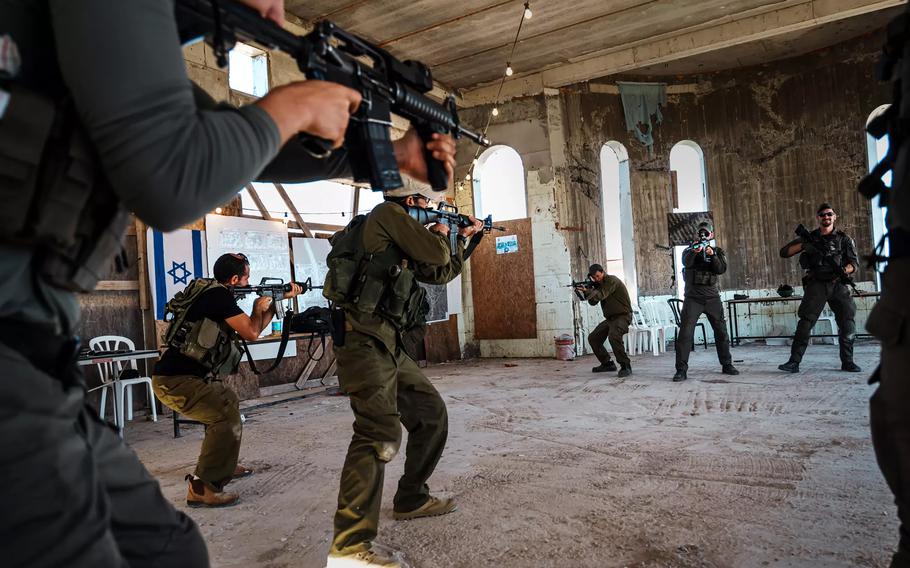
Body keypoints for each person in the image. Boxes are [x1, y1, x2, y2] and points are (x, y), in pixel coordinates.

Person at [0, 1, 457, 565]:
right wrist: (290, 106)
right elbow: (171, 183)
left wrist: (390, 151)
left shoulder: (88, 44)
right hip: (16, 362)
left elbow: (222, 141)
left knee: (172, 548)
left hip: (36, 353)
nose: (274, 9)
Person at [323, 181, 482, 568]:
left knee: (430, 414)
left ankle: (411, 498)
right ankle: (349, 547)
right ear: (412, 201)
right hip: (363, 340)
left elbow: (440, 272)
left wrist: (465, 239)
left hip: (388, 342)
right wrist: (443, 232)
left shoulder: (401, 231)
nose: (433, 211)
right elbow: (434, 250)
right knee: (377, 434)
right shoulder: (388, 215)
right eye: (430, 205)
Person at [152, 253, 302, 507]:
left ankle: (223, 466)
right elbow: (253, 332)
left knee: (229, 402)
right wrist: (258, 308)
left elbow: (253, 330)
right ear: (234, 279)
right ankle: (202, 488)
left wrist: (276, 302)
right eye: (246, 279)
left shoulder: (212, 293)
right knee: (224, 417)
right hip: (176, 380)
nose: (248, 283)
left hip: (178, 376)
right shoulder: (219, 297)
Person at [778, 203, 861, 373]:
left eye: (829, 214)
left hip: (838, 283)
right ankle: (794, 362)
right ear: (818, 217)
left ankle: (848, 362)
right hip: (816, 284)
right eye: (822, 215)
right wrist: (804, 246)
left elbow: (854, 264)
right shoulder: (810, 237)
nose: (826, 217)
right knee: (806, 322)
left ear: (834, 216)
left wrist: (843, 270)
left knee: (847, 321)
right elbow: (784, 252)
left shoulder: (844, 239)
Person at [672, 221, 739, 382]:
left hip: (712, 298)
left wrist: (712, 254)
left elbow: (721, 269)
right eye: (701, 233)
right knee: (685, 334)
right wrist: (695, 251)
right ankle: (681, 370)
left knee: (721, 332)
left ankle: (727, 364)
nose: (703, 235)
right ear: (697, 234)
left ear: (711, 235)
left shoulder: (717, 251)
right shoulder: (689, 250)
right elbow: (686, 262)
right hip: (693, 299)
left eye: (706, 233)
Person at [580, 264, 633, 378]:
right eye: (594, 278)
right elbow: (593, 302)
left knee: (614, 336)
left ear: (602, 272)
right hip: (610, 319)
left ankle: (625, 365)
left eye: (598, 276)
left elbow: (601, 295)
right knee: (593, 338)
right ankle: (607, 363)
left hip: (623, 316)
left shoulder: (611, 281)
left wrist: (590, 291)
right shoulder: (599, 285)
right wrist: (586, 291)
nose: (596, 279)